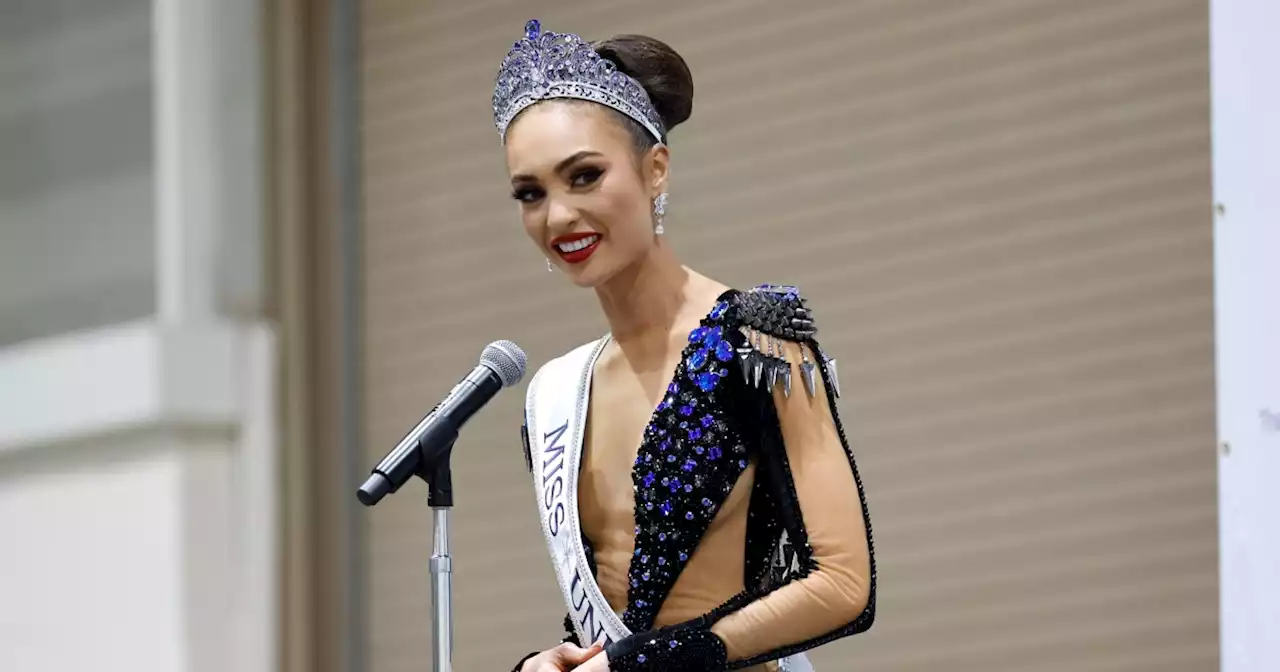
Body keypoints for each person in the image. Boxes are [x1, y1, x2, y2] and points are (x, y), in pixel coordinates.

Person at [496, 19, 876, 672]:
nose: (557, 216)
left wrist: (653, 661)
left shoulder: (757, 336)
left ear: (656, 169)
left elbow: (844, 584)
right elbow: (614, 603)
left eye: (584, 176)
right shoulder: (558, 396)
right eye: (531, 193)